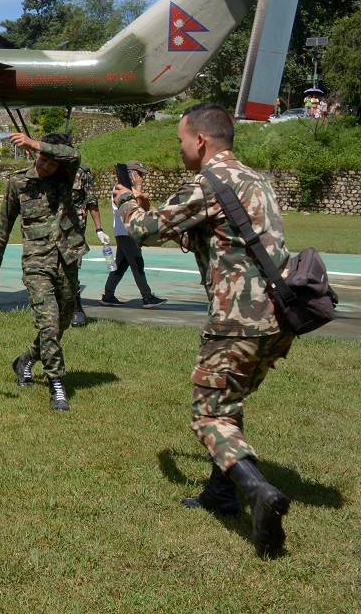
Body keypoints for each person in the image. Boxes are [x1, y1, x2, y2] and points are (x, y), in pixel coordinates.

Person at [116, 103, 293, 557]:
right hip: (277, 321)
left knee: (208, 416)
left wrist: (124, 201)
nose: (179, 149)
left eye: (180, 141)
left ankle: (257, 492)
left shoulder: (208, 182)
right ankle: (222, 493)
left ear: (200, 141)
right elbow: (209, 229)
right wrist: (152, 205)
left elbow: (144, 231)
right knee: (228, 404)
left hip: (237, 320)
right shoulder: (255, 179)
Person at [0, 132, 86, 412]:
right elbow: (3, 224)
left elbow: (74, 155)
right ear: (34, 157)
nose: (46, 166)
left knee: (61, 322)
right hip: (36, 263)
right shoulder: (18, 182)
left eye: (51, 162)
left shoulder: (64, 176)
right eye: (42, 160)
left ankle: (27, 359)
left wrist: (34, 143)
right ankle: (57, 385)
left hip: (66, 259)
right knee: (48, 323)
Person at [101, 160, 167, 309]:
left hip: (124, 232)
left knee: (121, 265)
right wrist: (138, 187)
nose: (141, 178)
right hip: (127, 232)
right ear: (130, 173)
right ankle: (147, 297)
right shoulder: (122, 189)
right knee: (137, 264)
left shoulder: (126, 187)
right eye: (139, 174)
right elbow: (136, 206)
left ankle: (108, 295)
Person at [71, 158, 110, 326]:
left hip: (74, 230)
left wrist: (99, 229)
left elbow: (91, 201)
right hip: (50, 229)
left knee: (71, 270)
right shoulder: (48, 169)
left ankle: (76, 309)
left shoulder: (81, 173)